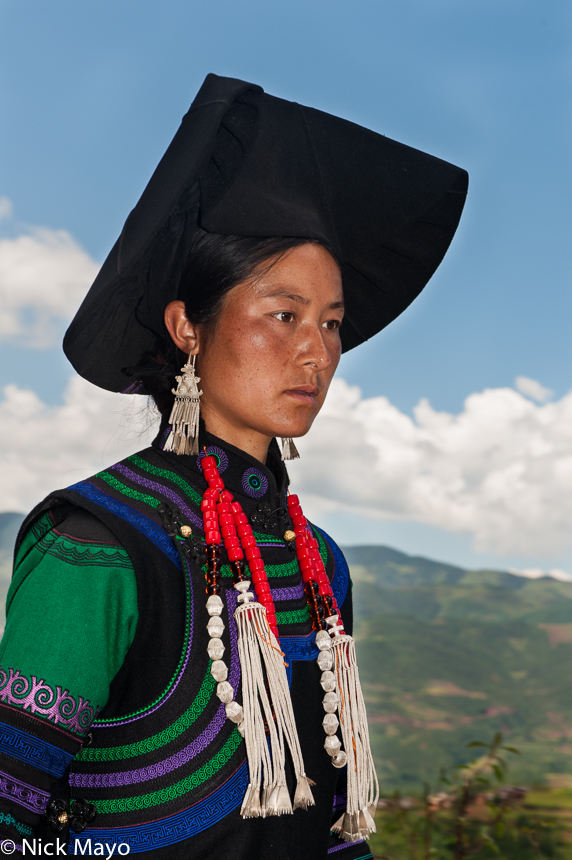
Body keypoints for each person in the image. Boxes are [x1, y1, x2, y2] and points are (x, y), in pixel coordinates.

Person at [0, 74, 468, 859]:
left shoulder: (319, 562)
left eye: (332, 324)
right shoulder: (101, 544)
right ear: (188, 326)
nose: (317, 352)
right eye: (283, 316)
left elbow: (333, 827)